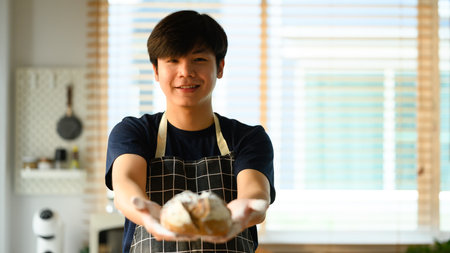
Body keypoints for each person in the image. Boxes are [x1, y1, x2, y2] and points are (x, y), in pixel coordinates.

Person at [105, 10, 276, 253]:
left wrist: (242, 213)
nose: (185, 72)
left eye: (198, 59)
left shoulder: (248, 138)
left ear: (220, 67)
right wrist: (147, 212)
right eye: (173, 60)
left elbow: (254, 194)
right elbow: (126, 185)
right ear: (155, 70)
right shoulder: (134, 132)